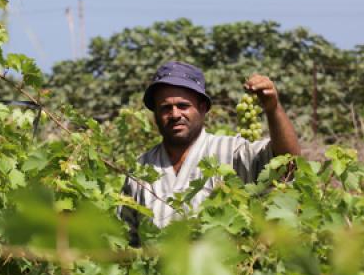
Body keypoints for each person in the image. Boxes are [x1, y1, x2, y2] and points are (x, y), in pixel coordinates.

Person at [119, 61, 300, 244]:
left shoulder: (231, 152)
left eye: (183, 105)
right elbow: (127, 240)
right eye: (165, 108)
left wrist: (273, 109)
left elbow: (287, 164)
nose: (175, 114)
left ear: (203, 108)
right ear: (155, 114)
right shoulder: (140, 169)